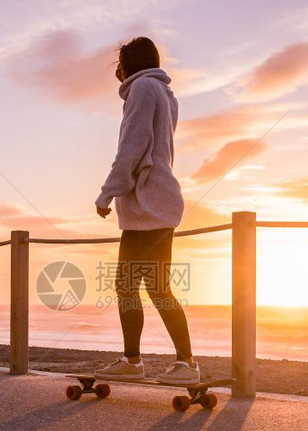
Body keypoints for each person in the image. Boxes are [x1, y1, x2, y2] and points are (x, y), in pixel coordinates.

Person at [93, 36, 199, 384]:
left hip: (150, 205)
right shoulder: (165, 94)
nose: (117, 72)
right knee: (134, 286)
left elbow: (132, 146)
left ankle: (185, 363)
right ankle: (134, 359)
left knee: (151, 288)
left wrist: (107, 193)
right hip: (152, 205)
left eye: (120, 65)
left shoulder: (142, 90)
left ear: (132, 65)